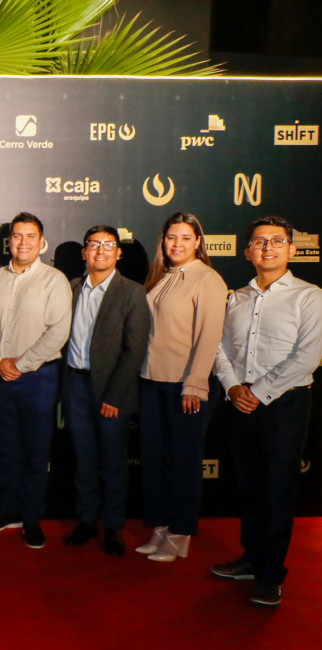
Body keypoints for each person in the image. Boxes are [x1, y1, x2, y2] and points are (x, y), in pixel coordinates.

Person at [211, 216, 322, 607]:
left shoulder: (310, 296)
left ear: (292, 249)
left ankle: (271, 575)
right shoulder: (236, 298)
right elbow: (218, 348)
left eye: (277, 241)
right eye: (260, 242)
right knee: (249, 487)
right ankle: (251, 559)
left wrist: (257, 392)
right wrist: (232, 386)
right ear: (247, 252)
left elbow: (308, 357)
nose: (268, 247)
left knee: (277, 491)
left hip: (285, 405)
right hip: (239, 402)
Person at [137, 212, 227, 562]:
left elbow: (210, 336)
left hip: (186, 386)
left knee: (184, 462)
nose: (177, 244)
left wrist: (196, 383)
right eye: (171, 237)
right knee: (155, 460)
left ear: (198, 242)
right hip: (152, 381)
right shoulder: (162, 276)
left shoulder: (208, 279)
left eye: (186, 238)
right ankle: (161, 526)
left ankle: (181, 533)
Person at [0, 212, 72, 550]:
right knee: (6, 450)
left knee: (35, 452)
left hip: (38, 378)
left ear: (42, 242)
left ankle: (32, 517)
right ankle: (8, 510)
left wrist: (20, 364)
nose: (23, 242)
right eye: (17, 236)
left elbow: (58, 332)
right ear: (9, 242)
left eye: (30, 236)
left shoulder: (54, 280)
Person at [61, 226, 151, 557]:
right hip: (75, 385)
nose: (100, 250)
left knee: (113, 461)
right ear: (84, 252)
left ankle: (113, 526)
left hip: (112, 390)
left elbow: (135, 349)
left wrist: (114, 396)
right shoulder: (71, 288)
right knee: (83, 459)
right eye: (94, 245)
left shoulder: (132, 292)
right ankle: (86, 521)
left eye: (108, 245)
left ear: (118, 253)